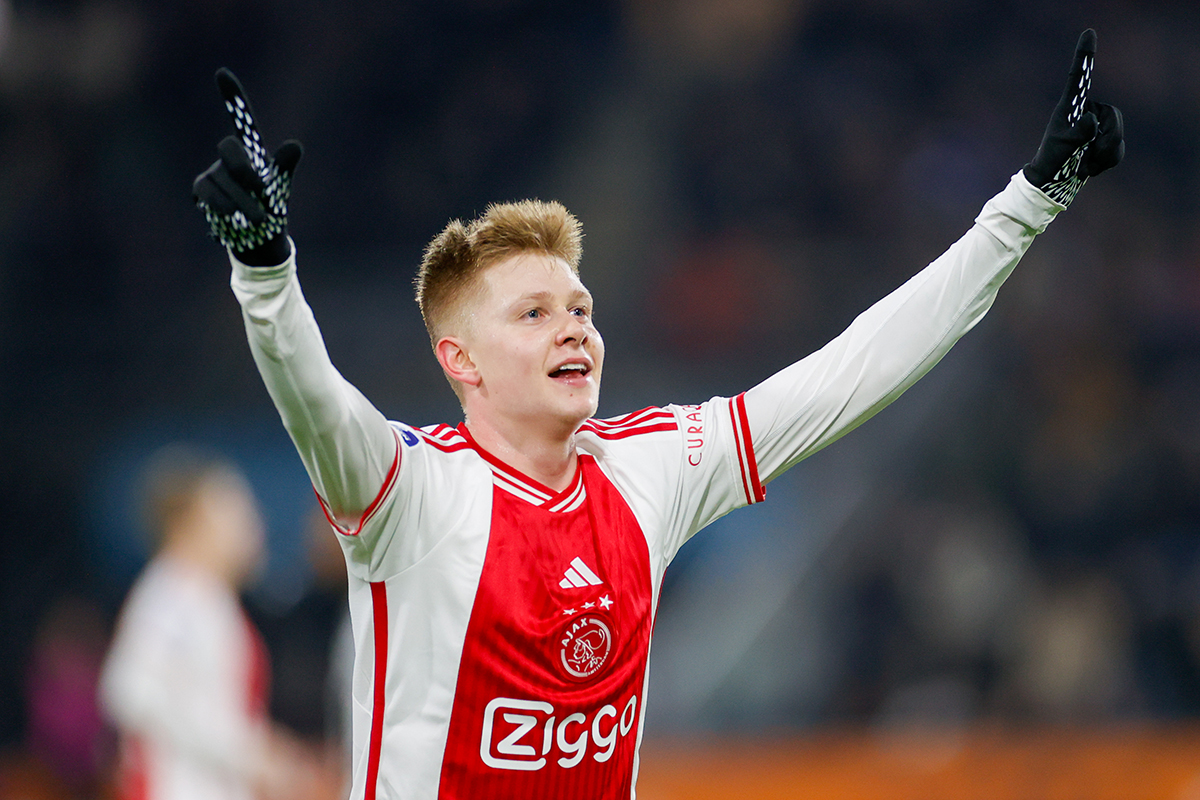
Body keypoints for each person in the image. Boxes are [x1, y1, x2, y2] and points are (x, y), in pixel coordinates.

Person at [191, 29, 1123, 800]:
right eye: (534, 314)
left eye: (581, 309)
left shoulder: (653, 467)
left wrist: (1027, 206)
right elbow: (312, 398)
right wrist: (264, 269)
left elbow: (851, 371)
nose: (574, 329)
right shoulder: (408, 492)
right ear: (460, 362)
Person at [98, 445, 312, 800]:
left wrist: (262, 749)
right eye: (236, 513)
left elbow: (213, 708)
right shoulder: (171, 593)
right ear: (191, 522)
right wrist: (245, 753)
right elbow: (130, 690)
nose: (253, 526)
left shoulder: (207, 597)